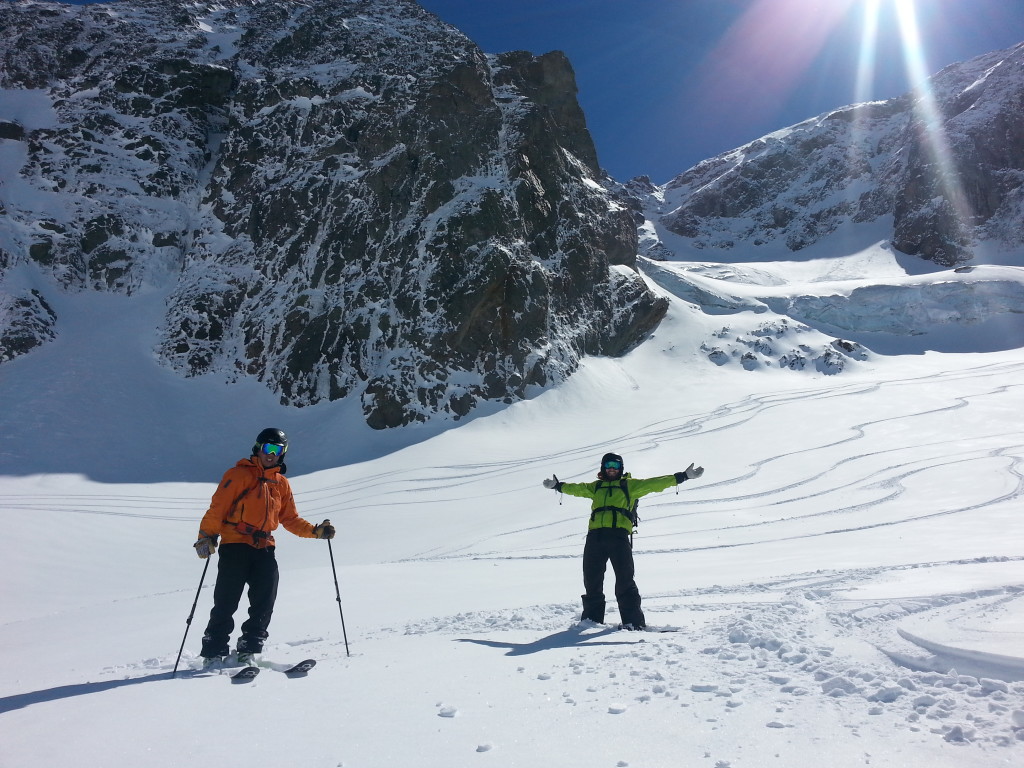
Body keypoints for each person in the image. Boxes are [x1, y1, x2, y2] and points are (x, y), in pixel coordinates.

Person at [193, 427, 335, 666]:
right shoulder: (237, 475)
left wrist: (315, 531)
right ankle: (213, 653)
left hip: (265, 547)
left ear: (282, 453)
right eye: (267, 448)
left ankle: (249, 648)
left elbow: (289, 518)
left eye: (277, 450)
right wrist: (206, 536)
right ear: (258, 449)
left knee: (264, 601)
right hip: (235, 545)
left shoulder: (281, 484)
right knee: (226, 601)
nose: (271, 454)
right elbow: (218, 508)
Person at [542, 452, 704, 630]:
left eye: (616, 465)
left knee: (625, 580)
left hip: (618, 536)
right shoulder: (596, 487)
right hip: (595, 537)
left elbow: (655, 483)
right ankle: (591, 620)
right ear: (603, 467)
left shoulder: (630, 486)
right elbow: (577, 489)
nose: (612, 468)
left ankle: (633, 622)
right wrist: (558, 486)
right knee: (591, 579)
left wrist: (683, 476)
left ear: (621, 468)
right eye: (608, 465)